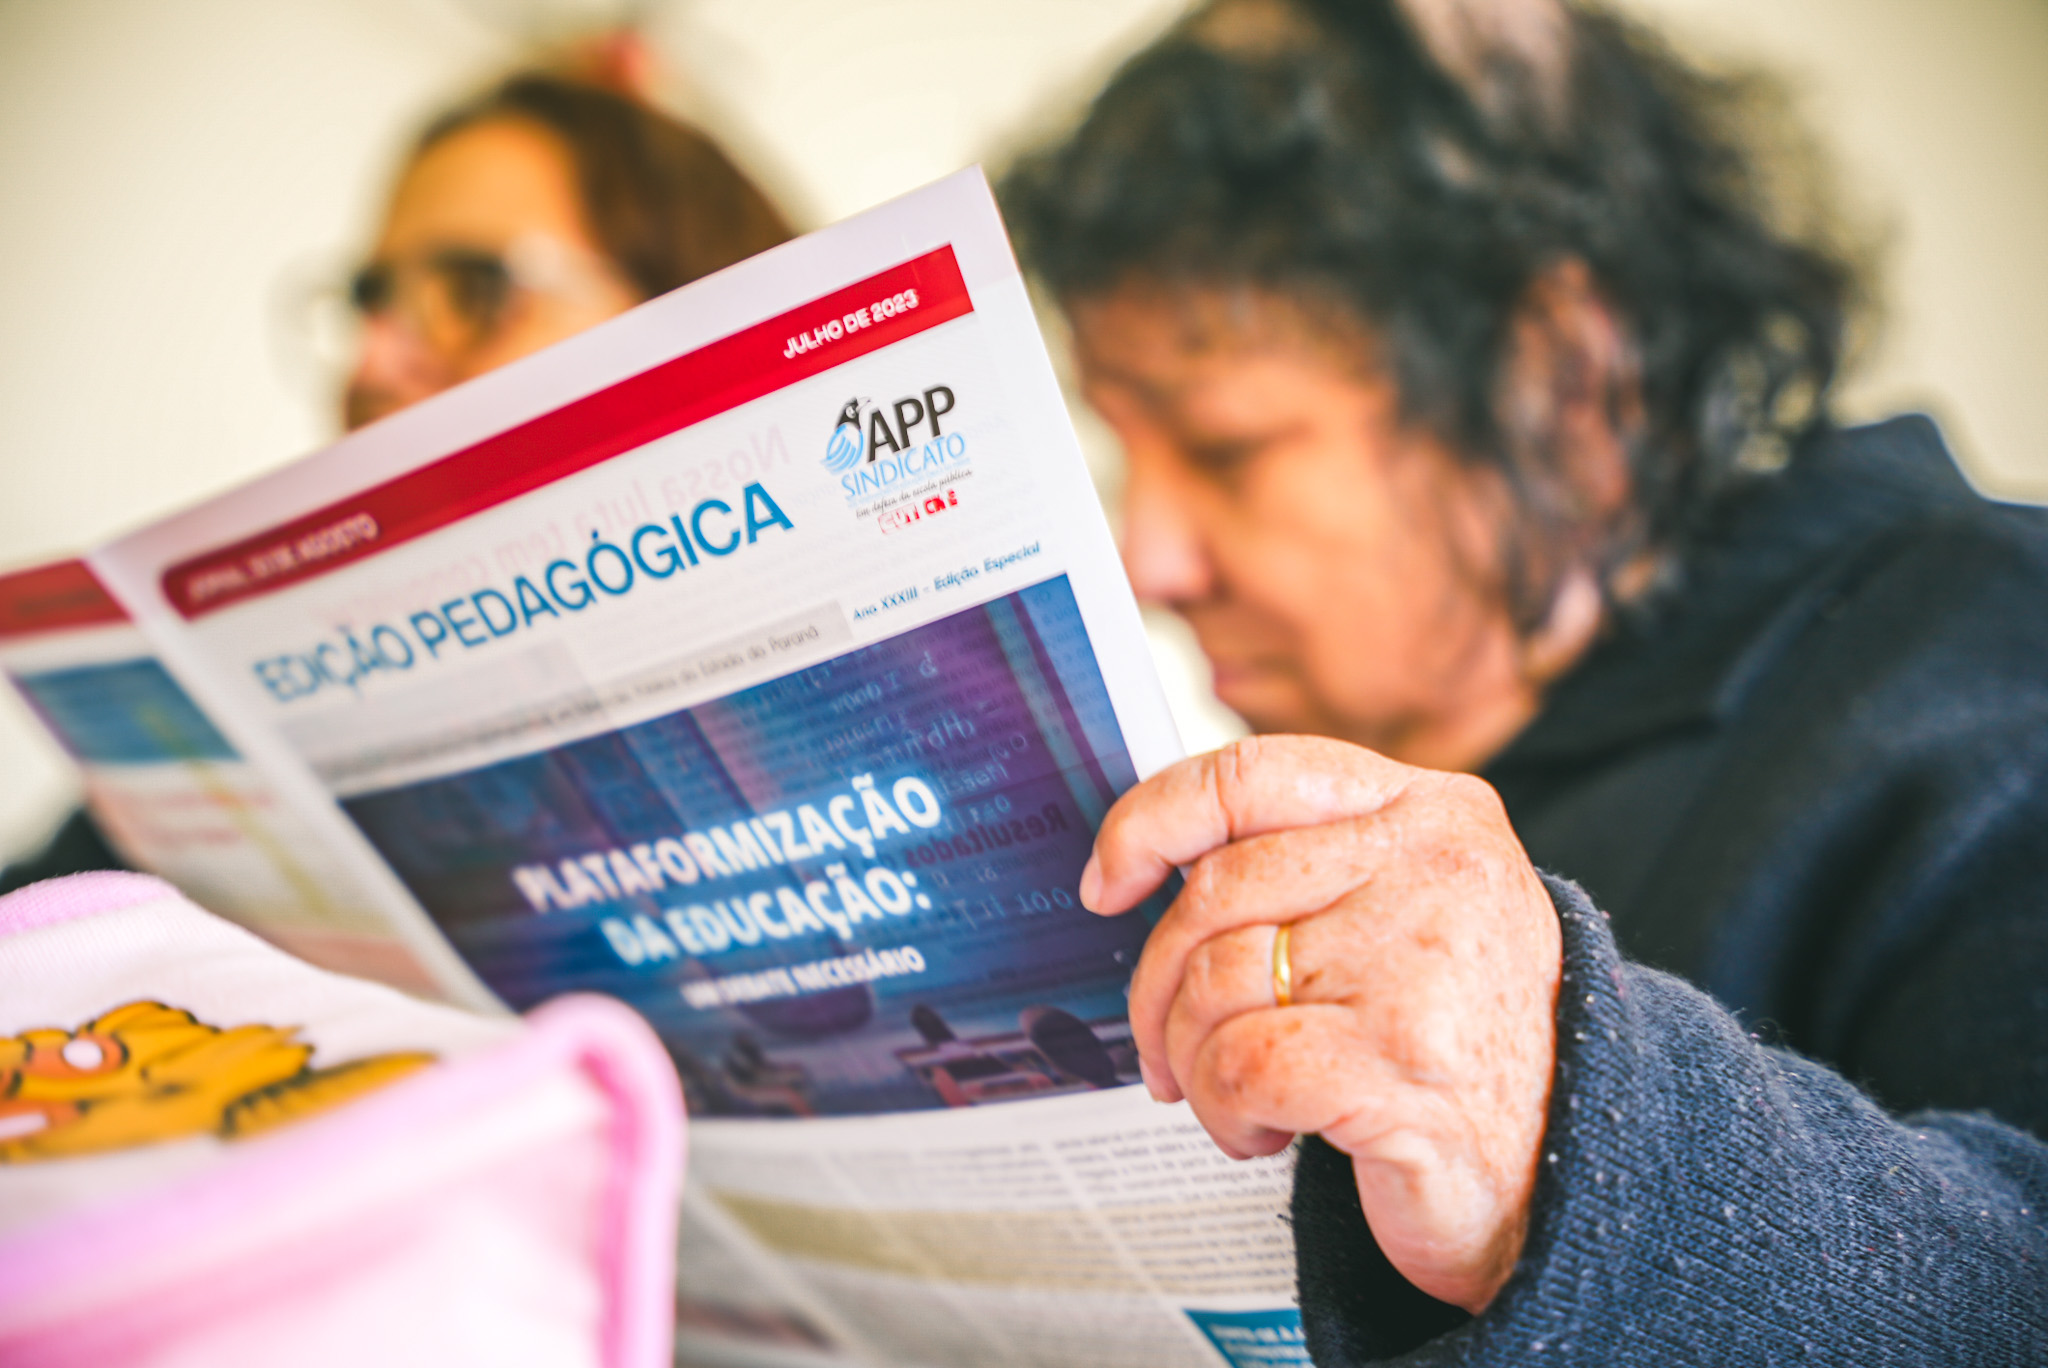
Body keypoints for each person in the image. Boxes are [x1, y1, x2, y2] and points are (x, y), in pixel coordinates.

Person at [1001, 0, 2048, 1361]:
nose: (1150, 557)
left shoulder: (1995, 658)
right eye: (1124, 446)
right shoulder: (1392, 756)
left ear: (1560, 377)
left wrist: (1566, 1129)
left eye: (1226, 448)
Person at [1, 64, 793, 893]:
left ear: (689, 317)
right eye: (371, 299)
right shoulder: (240, 716)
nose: (369, 365)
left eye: (469, 291)